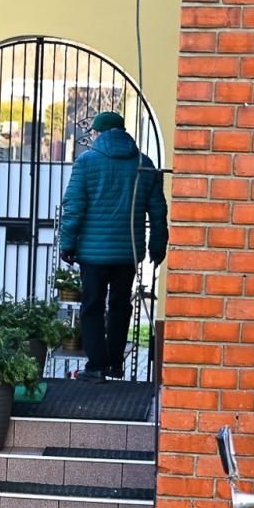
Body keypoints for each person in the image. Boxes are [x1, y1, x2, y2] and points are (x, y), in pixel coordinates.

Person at [58, 110, 168, 383]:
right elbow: (158, 211)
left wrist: (67, 243)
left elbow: (73, 207)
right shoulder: (144, 164)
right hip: (127, 252)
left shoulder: (86, 162)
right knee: (120, 306)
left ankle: (96, 366)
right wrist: (158, 245)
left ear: (99, 133)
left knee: (92, 307)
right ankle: (116, 364)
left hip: (93, 255)